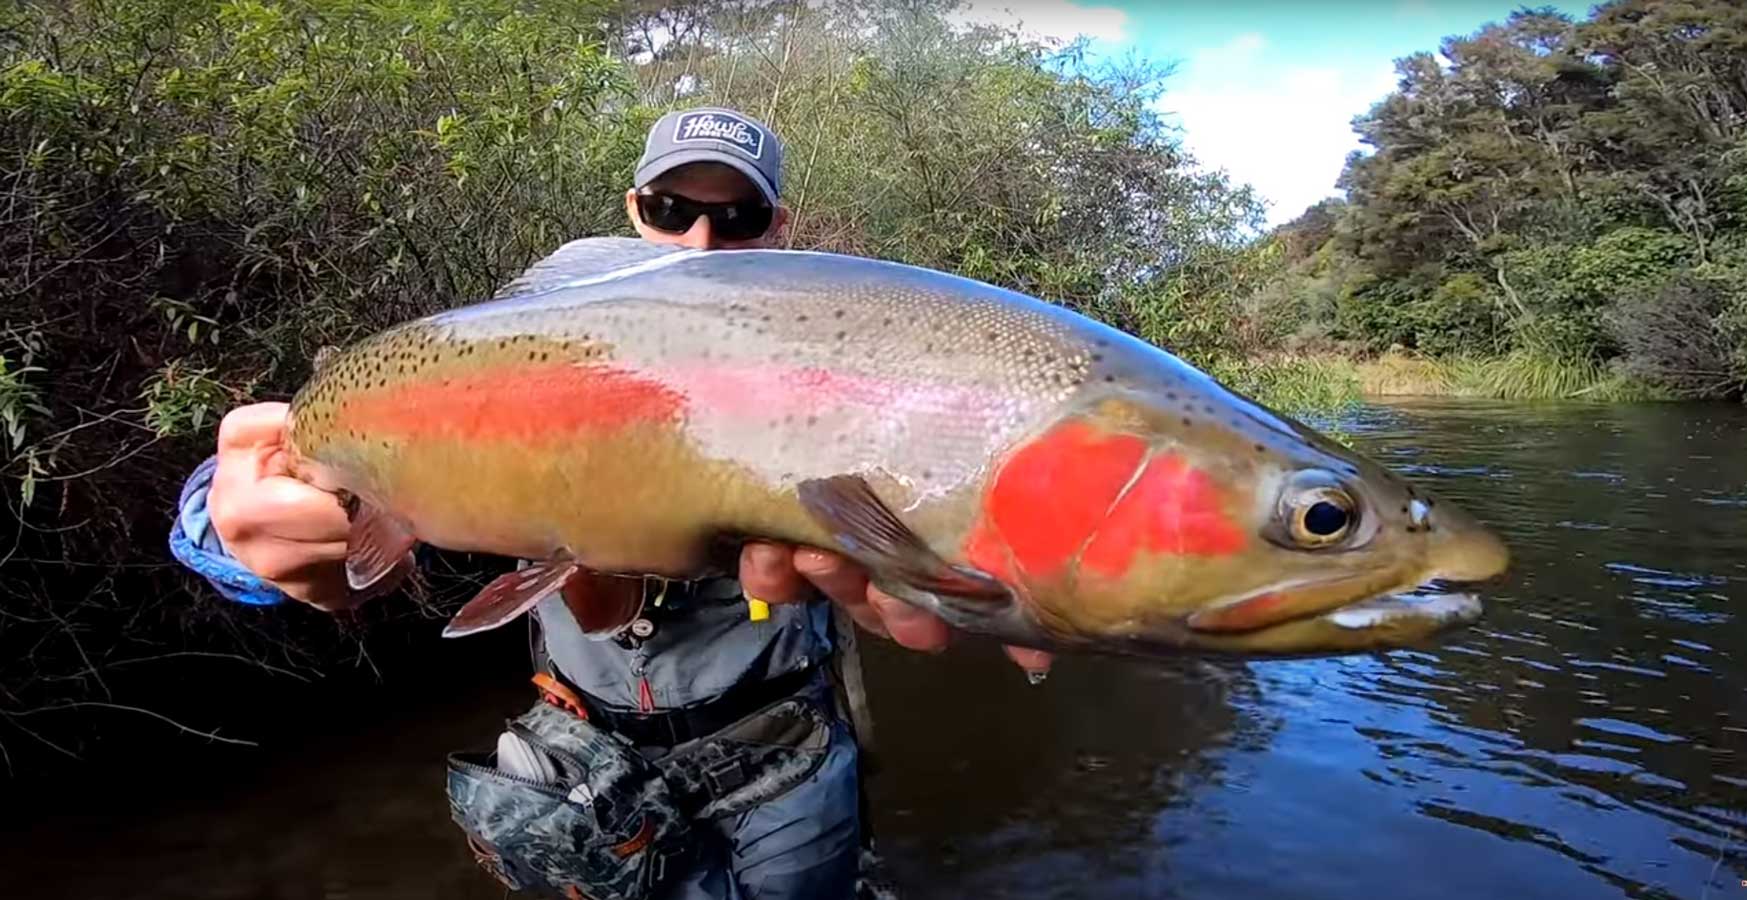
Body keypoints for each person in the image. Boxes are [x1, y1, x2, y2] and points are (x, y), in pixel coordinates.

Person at [168, 106, 1051, 898]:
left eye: (737, 219)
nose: (701, 243)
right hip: (595, 766)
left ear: (778, 230)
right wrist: (228, 539)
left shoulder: (833, 360)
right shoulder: (542, 339)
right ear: (635, 209)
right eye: (674, 212)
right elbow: (300, 447)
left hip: (787, 753)